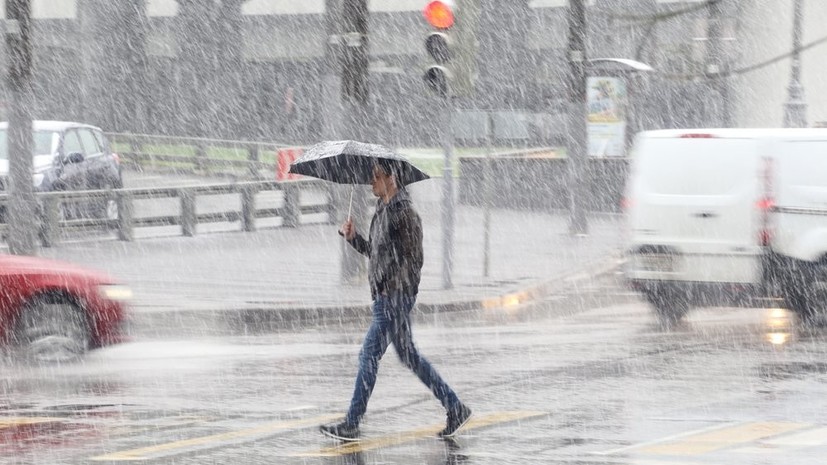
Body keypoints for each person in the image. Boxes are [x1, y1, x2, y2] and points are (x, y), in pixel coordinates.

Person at [320, 160, 472, 442]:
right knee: (409, 356)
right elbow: (378, 254)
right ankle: (455, 407)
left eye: (376, 176)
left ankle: (352, 422)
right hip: (386, 296)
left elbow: (414, 261)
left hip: (393, 298)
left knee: (368, 355)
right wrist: (354, 238)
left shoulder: (405, 214)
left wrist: (394, 292)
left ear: (392, 178)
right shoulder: (382, 210)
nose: (371, 182)